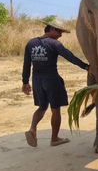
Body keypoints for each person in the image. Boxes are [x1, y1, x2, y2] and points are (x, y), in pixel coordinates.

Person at [22, 18, 93, 147]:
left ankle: (32, 128)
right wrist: (86, 67)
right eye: (59, 32)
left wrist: (25, 82)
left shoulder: (31, 43)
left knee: (42, 107)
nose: (60, 35)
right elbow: (70, 56)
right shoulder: (54, 44)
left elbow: (26, 64)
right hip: (51, 80)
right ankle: (54, 139)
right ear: (52, 29)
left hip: (37, 80)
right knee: (56, 110)